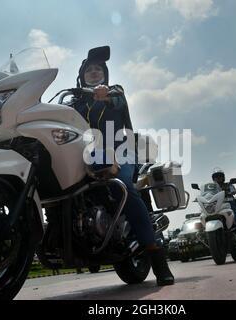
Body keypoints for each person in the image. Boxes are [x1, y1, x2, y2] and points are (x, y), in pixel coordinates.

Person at [68, 46, 174, 286]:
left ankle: (157, 258)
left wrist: (105, 93)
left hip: (121, 152)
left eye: (98, 69)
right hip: (87, 155)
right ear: (81, 75)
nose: (94, 72)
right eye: (89, 70)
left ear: (104, 74)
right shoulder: (75, 102)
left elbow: (116, 99)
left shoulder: (115, 92)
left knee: (122, 186)